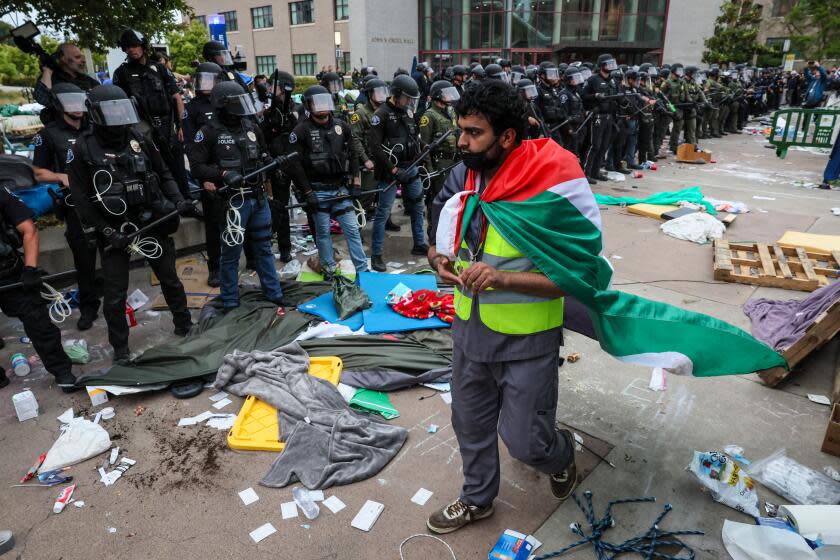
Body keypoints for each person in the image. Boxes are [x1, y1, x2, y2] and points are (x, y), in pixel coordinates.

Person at [425, 80, 575, 534]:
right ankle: (478, 499)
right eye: (460, 130)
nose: (461, 142)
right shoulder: (462, 177)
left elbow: (571, 276)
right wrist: (439, 261)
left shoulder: (551, 185)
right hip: (471, 335)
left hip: (528, 340)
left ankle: (561, 453)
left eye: (474, 133)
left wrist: (503, 277)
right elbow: (437, 240)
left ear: (507, 137)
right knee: (469, 425)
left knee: (526, 442)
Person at [66, 85, 193, 363]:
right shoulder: (82, 148)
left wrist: (178, 200)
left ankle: (185, 325)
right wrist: (108, 232)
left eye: (121, 110)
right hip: (113, 230)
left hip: (149, 221)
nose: (117, 118)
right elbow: (81, 201)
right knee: (114, 294)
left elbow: (163, 171)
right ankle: (121, 349)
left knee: (170, 278)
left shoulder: (138, 137)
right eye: (110, 112)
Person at [189, 82, 286, 310]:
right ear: (223, 105)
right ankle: (231, 300)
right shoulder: (208, 132)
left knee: (263, 248)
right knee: (231, 253)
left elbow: (263, 154)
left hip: (258, 198)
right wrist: (222, 174)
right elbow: (196, 167)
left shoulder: (251, 127)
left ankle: (274, 293)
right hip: (232, 203)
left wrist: (271, 163)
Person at [31, 83, 101, 330]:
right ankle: (89, 307)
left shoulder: (94, 127)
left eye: (78, 101)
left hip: (103, 199)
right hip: (75, 204)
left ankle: (114, 299)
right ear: (59, 105)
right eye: (70, 102)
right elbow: (38, 173)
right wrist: (61, 177)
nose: (77, 107)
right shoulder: (48, 134)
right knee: (84, 258)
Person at [0, 180, 77, 391]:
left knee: (38, 321)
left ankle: (62, 371)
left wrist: (30, 270)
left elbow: (29, 231)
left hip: (7, 271)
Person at [285, 86, 369, 278]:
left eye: (325, 102)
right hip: (317, 191)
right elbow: (294, 165)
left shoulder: (342, 126)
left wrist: (356, 182)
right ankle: (329, 269)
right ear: (308, 106)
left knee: (353, 232)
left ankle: (363, 271)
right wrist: (307, 192)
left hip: (341, 190)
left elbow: (353, 154)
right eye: (317, 103)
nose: (322, 108)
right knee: (323, 234)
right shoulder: (301, 131)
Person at [112, 30, 192, 203]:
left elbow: (176, 98)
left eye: (135, 45)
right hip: (142, 128)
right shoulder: (121, 73)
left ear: (143, 46)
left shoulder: (159, 68)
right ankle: (165, 205)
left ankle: (186, 202)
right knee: (153, 169)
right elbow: (120, 107)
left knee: (177, 166)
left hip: (167, 125)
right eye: (127, 47)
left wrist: (181, 125)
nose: (132, 50)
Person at [368, 74, 427, 272]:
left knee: (418, 207)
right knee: (383, 213)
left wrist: (423, 152)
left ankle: (419, 244)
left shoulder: (408, 113)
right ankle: (376, 254)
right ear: (396, 94)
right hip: (390, 172)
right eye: (407, 98)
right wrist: (392, 169)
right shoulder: (381, 114)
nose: (410, 102)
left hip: (411, 168)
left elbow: (415, 138)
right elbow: (374, 147)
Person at [184, 62, 224, 286]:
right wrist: (204, 178)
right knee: (213, 224)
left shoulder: (225, 101)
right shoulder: (192, 108)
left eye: (211, 80)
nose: (206, 85)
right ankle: (215, 267)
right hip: (209, 173)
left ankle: (252, 260)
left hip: (232, 169)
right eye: (203, 80)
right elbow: (190, 146)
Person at [261, 70, 301, 263]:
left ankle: (321, 245)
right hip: (279, 164)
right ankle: (285, 247)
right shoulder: (268, 113)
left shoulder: (299, 109)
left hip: (298, 164)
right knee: (281, 206)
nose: (269, 89)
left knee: (310, 203)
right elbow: (263, 140)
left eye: (273, 86)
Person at [350, 78, 398, 228]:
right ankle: (357, 227)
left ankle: (386, 221)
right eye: (378, 92)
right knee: (365, 196)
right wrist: (365, 160)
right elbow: (355, 139)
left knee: (385, 193)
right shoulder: (360, 114)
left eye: (384, 92)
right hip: (370, 160)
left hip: (384, 159)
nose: (382, 96)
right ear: (369, 94)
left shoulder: (387, 111)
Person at [419, 80, 460, 222]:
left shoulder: (450, 112)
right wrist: (430, 171)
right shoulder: (429, 116)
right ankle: (434, 232)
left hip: (453, 160)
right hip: (439, 163)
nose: (449, 97)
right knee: (438, 198)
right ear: (437, 96)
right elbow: (425, 146)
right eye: (446, 94)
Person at [34, 42, 100, 119]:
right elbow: (42, 98)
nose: (83, 61)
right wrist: (47, 70)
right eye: (77, 57)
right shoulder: (52, 78)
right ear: (64, 59)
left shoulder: (87, 80)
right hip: (65, 128)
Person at [581, 54, 619, 183]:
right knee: (594, 146)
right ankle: (586, 173)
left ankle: (595, 172)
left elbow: (617, 96)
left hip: (609, 116)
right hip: (597, 116)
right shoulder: (593, 80)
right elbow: (583, 96)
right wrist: (595, 96)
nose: (611, 67)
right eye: (608, 64)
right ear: (602, 65)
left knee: (604, 146)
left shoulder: (613, 80)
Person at [557, 67, 586, 160]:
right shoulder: (564, 94)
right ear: (569, 80)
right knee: (568, 152)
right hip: (569, 129)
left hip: (578, 127)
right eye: (575, 78)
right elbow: (563, 114)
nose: (577, 80)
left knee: (576, 152)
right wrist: (568, 129)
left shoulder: (576, 93)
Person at [535, 63, 564, 146]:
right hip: (544, 129)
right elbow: (536, 113)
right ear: (543, 76)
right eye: (550, 73)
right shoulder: (537, 90)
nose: (554, 77)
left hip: (556, 127)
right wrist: (541, 131)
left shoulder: (554, 90)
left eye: (554, 73)